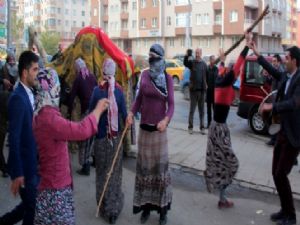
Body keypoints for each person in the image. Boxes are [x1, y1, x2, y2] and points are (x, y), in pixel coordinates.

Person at [32, 68, 109, 225]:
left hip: (49, 185)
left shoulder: (40, 114)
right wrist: (98, 111)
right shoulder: (49, 118)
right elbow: (81, 130)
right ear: (52, 89)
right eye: (57, 87)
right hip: (55, 190)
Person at [250, 41, 300, 225]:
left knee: (281, 173)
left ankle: (291, 216)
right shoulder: (287, 76)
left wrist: (273, 106)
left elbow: (294, 103)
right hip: (282, 133)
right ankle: (284, 210)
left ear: (294, 60)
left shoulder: (299, 78)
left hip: (293, 135)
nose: (284, 61)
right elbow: (273, 70)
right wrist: (257, 53)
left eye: (286, 58)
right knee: (275, 172)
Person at [127, 44, 174, 225]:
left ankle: (162, 211)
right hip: (144, 132)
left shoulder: (167, 78)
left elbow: (171, 105)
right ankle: (145, 207)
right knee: (145, 171)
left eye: (154, 56)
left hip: (159, 132)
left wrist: (166, 120)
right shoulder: (144, 75)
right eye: (150, 56)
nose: (151, 59)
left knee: (159, 172)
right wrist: (131, 113)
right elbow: (138, 99)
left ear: (161, 58)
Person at [204, 35, 251, 209]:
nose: (235, 74)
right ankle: (220, 193)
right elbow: (237, 67)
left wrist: (222, 60)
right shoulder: (224, 82)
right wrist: (246, 46)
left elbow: (225, 70)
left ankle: (222, 198)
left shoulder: (219, 81)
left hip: (216, 129)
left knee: (221, 162)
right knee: (230, 163)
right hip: (220, 130)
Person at [0, 51, 40, 225]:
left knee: (29, 206)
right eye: (35, 70)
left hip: (32, 163)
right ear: (25, 72)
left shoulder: (29, 93)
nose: (37, 73)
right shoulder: (18, 98)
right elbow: (14, 139)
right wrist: (17, 173)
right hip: (24, 166)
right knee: (33, 207)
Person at [89, 58, 127, 224]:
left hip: (100, 140)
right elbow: (125, 116)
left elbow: (91, 114)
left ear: (103, 72)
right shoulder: (118, 91)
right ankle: (113, 210)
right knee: (114, 174)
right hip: (115, 140)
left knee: (101, 173)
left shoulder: (97, 91)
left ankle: (103, 206)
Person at [68, 58, 98, 175]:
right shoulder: (91, 76)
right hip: (95, 110)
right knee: (93, 136)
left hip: (86, 110)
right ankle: (95, 161)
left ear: (77, 67)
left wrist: (69, 109)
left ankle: (85, 167)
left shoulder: (78, 79)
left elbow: (72, 96)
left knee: (84, 139)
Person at [265, 54, 284, 146]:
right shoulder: (275, 71)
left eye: (275, 61)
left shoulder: (280, 72)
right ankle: (273, 139)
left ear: (279, 62)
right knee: (273, 120)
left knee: (276, 120)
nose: (273, 63)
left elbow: (279, 88)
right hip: (274, 99)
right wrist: (266, 76)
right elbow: (270, 82)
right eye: (272, 61)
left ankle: (275, 140)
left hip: (278, 101)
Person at [188, 48, 207, 135]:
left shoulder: (204, 64)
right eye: (196, 53)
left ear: (201, 53)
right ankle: (190, 127)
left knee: (202, 111)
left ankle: (202, 127)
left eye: (198, 53)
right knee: (192, 110)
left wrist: (207, 85)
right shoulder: (192, 63)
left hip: (202, 91)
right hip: (193, 91)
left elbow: (207, 76)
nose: (197, 54)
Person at [206, 55, 218, 128]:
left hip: (215, 92)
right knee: (208, 109)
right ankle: (209, 124)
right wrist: (206, 85)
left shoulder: (216, 69)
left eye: (214, 60)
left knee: (214, 109)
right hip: (208, 92)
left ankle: (215, 124)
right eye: (212, 60)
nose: (213, 61)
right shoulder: (207, 69)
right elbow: (205, 78)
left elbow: (218, 78)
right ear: (210, 60)